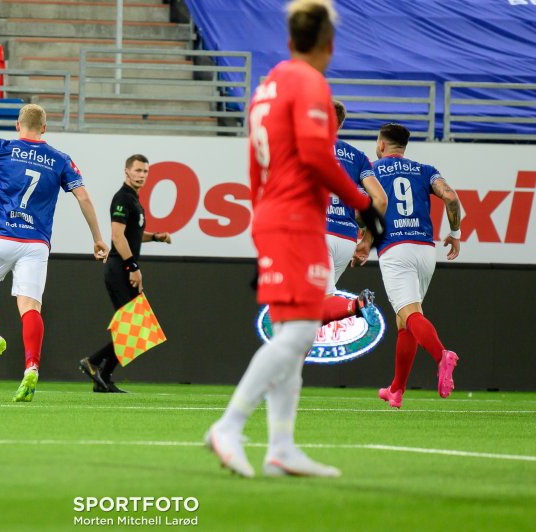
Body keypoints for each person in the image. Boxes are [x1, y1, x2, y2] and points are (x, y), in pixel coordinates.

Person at [205, 0, 385, 479]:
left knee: (292, 336)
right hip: (296, 219)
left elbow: (256, 163)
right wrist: (363, 204)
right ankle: (230, 424)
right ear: (329, 44)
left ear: (289, 40)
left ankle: (281, 448)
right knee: (302, 333)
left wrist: (264, 219)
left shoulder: (268, 86)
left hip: (273, 214)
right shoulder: (310, 82)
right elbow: (316, 156)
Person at [0, 100, 109, 402]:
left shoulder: (4, 146)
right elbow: (83, 196)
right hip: (36, 244)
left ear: (19, 126)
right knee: (30, 308)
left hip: (1, 236)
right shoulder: (60, 159)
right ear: (44, 128)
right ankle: (31, 367)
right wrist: (97, 238)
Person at [354, 123, 461, 410]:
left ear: (380, 144)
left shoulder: (371, 171)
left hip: (395, 249)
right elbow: (450, 196)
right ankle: (396, 389)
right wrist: (456, 233)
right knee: (406, 321)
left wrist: (362, 237)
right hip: (425, 250)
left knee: (409, 314)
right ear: (404, 147)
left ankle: (442, 356)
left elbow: (363, 210)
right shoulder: (425, 170)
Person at [78, 154, 172, 393]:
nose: (141, 175)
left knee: (138, 328)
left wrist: (156, 237)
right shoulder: (122, 198)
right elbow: (117, 237)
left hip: (124, 266)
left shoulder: (134, 200)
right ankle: (93, 362)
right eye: (137, 170)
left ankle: (104, 377)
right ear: (127, 172)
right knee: (136, 326)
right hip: (120, 268)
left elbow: (133, 234)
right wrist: (133, 268)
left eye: (145, 172)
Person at [319, 100, 388, 322]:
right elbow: (380, 200)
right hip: (346, 241)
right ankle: (297, 358)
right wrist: (367, 241)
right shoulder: (358, 157)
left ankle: (357, 304)